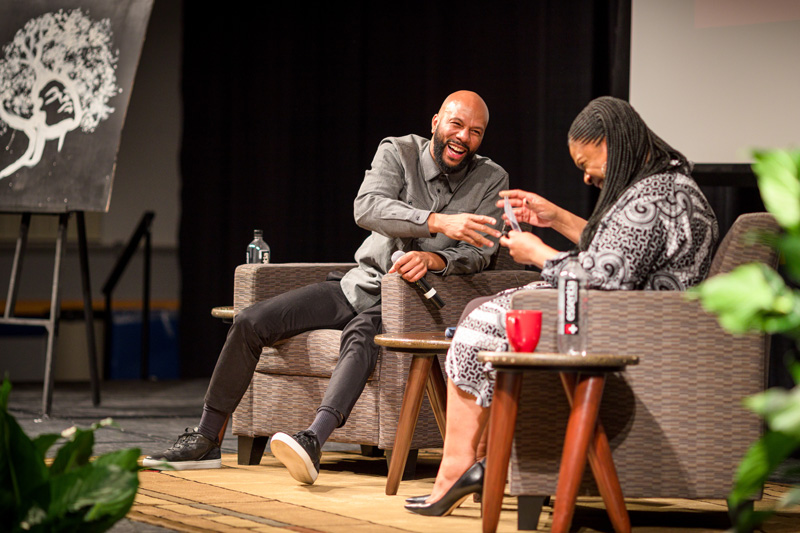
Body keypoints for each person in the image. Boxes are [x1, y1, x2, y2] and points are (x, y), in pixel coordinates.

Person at [143, 90, 509, 485]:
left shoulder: (491, 179)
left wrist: (438, 259)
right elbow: (367, 207)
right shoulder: (399, 152)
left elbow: (481, 252)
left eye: (476, 131)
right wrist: (436, 222)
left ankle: (312, 440)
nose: (463, 137)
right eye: (456, 124)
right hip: (359, 283)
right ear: (436, 122)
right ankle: (205, 437)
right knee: (252, 320)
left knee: (363, 334)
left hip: (414, 301)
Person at [404, 96, 719, 516]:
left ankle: (456, 472)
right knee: (487, 309)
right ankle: (481, 465)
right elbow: (617, 251)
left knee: (483, 322)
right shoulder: (663, 187)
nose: (587, 177)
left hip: (630, 335)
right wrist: (555, 218)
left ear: (609, 145)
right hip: (632, 322)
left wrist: (538, 253)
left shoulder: (653, 197)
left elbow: (608, 275)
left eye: (587, 163)